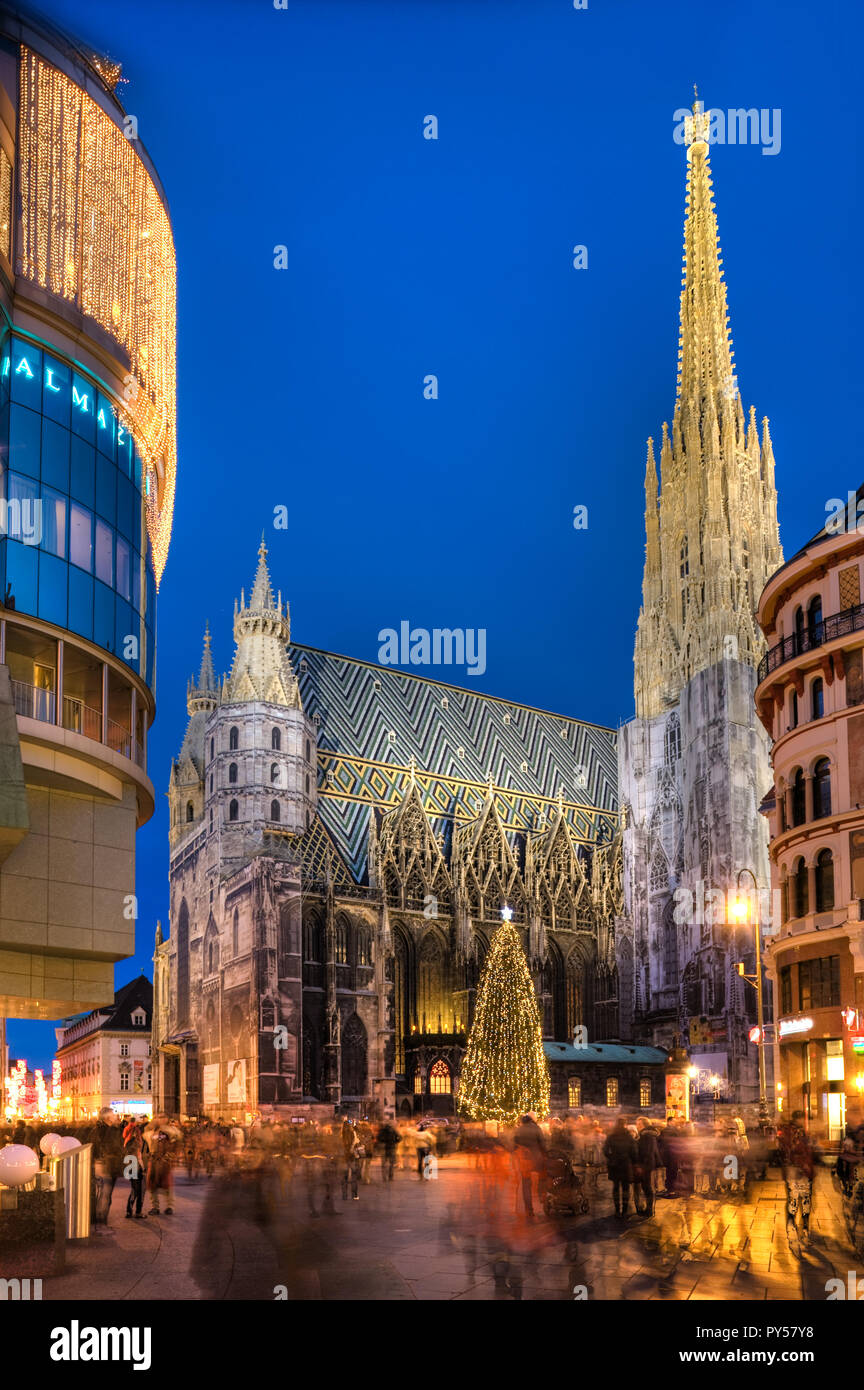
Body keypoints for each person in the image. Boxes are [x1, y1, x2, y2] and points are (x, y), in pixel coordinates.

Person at [777, 1110, 815, 1248]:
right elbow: (789, 1150)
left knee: (803, 1201)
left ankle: (802, 1230)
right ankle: (794, 1228)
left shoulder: (801, 1132)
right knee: (796, 1200)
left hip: (803, 1171)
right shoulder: (793, 1132)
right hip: (796, 1170)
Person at [512, 1113, 547, 1218]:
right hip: (537, 1160)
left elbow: (514, 1146)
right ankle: (542, 1195)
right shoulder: (537, 1129)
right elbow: (542, 1144)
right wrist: (546, 1154)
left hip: (524, 1161)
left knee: (526, 1184)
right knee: (543, 1177)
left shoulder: (518, 1130)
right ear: (531, 1121)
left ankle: (529, 1210)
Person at [603, 1115, 637, 1218]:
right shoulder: (628, 1136)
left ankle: (617, 1210)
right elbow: (634, 1151)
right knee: (626, 1187)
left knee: (616, 1187)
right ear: (625, 1125)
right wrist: (633, 1161)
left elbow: (605, 1150)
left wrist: (611, 1157)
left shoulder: (611, 1136)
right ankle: (625, 1210)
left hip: (614, 1164)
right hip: (625, 1163)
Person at [634, 1117, 660, 1217]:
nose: (637, 1126)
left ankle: (649, 1210)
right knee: (646, 1186)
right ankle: (647, 1209)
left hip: (645, 1165)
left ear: (644, 1125)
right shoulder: (645, 1135)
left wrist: (642, 1166)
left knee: (647, 1187)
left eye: (639, 1124)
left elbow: (647, 1152)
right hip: (647, 1165)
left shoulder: (647, 1136)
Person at [122, 1119, 148, 1219]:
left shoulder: (127, 1141)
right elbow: (138, 1156)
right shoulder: (136, 1142)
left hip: (130, 1166)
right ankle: (138, 1212)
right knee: (140, 1190)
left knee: (134, 1189)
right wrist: (143, 1168)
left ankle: (129, 1211)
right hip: (136, 1166)